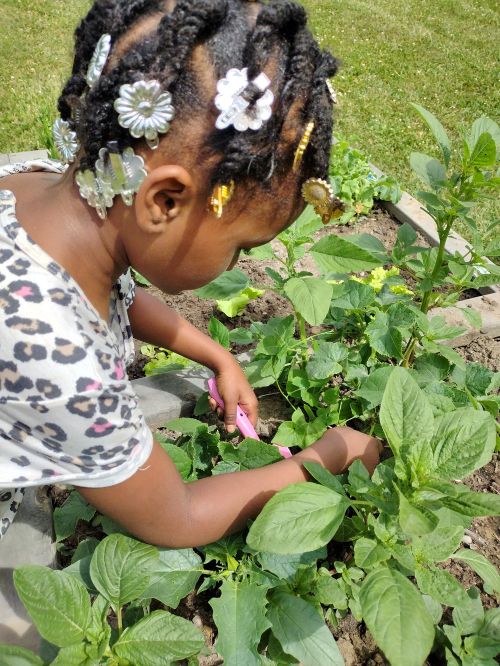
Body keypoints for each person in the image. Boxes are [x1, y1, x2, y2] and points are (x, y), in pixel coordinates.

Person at [0, 0, 379, 548]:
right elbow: (175, 518)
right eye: (241, 247)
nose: (237, 266)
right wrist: (322, 459)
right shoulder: (61, 360)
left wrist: (217, 356)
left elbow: (116, 301)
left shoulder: (35, 191)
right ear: (165, 201)